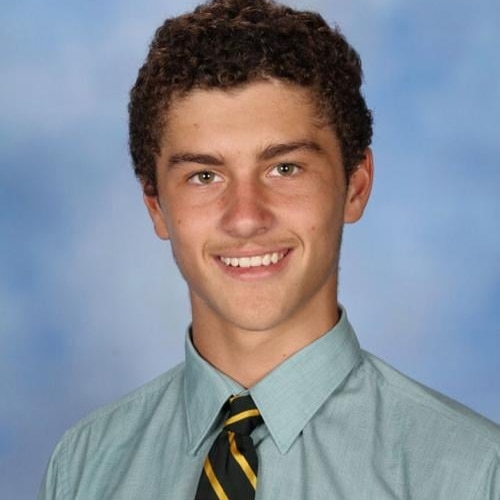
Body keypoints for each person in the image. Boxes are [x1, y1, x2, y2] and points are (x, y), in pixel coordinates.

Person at [38, 0, 500, 498]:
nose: (245, 217)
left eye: (284, 168)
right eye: (204, 176)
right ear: (155, 206)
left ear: (355, 185)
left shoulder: (471, 471)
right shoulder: (84, 466)